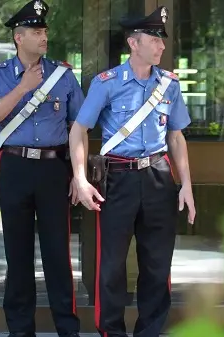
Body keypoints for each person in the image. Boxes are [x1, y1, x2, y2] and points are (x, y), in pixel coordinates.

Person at [68, 6, 196, 337]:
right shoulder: (107, 83)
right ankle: (111, 332)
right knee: (110, 266)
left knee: (157, 265)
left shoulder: (169, 85)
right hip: (118, 178)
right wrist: (80, 179)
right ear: (133, 43)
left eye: (161, 40)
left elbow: (176, 136)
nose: (161, 46)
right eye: (154, 39)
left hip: (158, 175)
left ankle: (149, 332)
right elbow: (78, 130)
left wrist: (186, 185)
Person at [0, 1, 85, 336]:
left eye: (45, 30)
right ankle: (20, 330)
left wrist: (77, 173)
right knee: (18, 254)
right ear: (18, 38)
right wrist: (23, 88)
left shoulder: (63, 75)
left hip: (53, 170)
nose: (44, 37)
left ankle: (67, 328)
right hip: (14, 166)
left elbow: (78, 127)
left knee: (58, 255)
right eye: (36, 32)